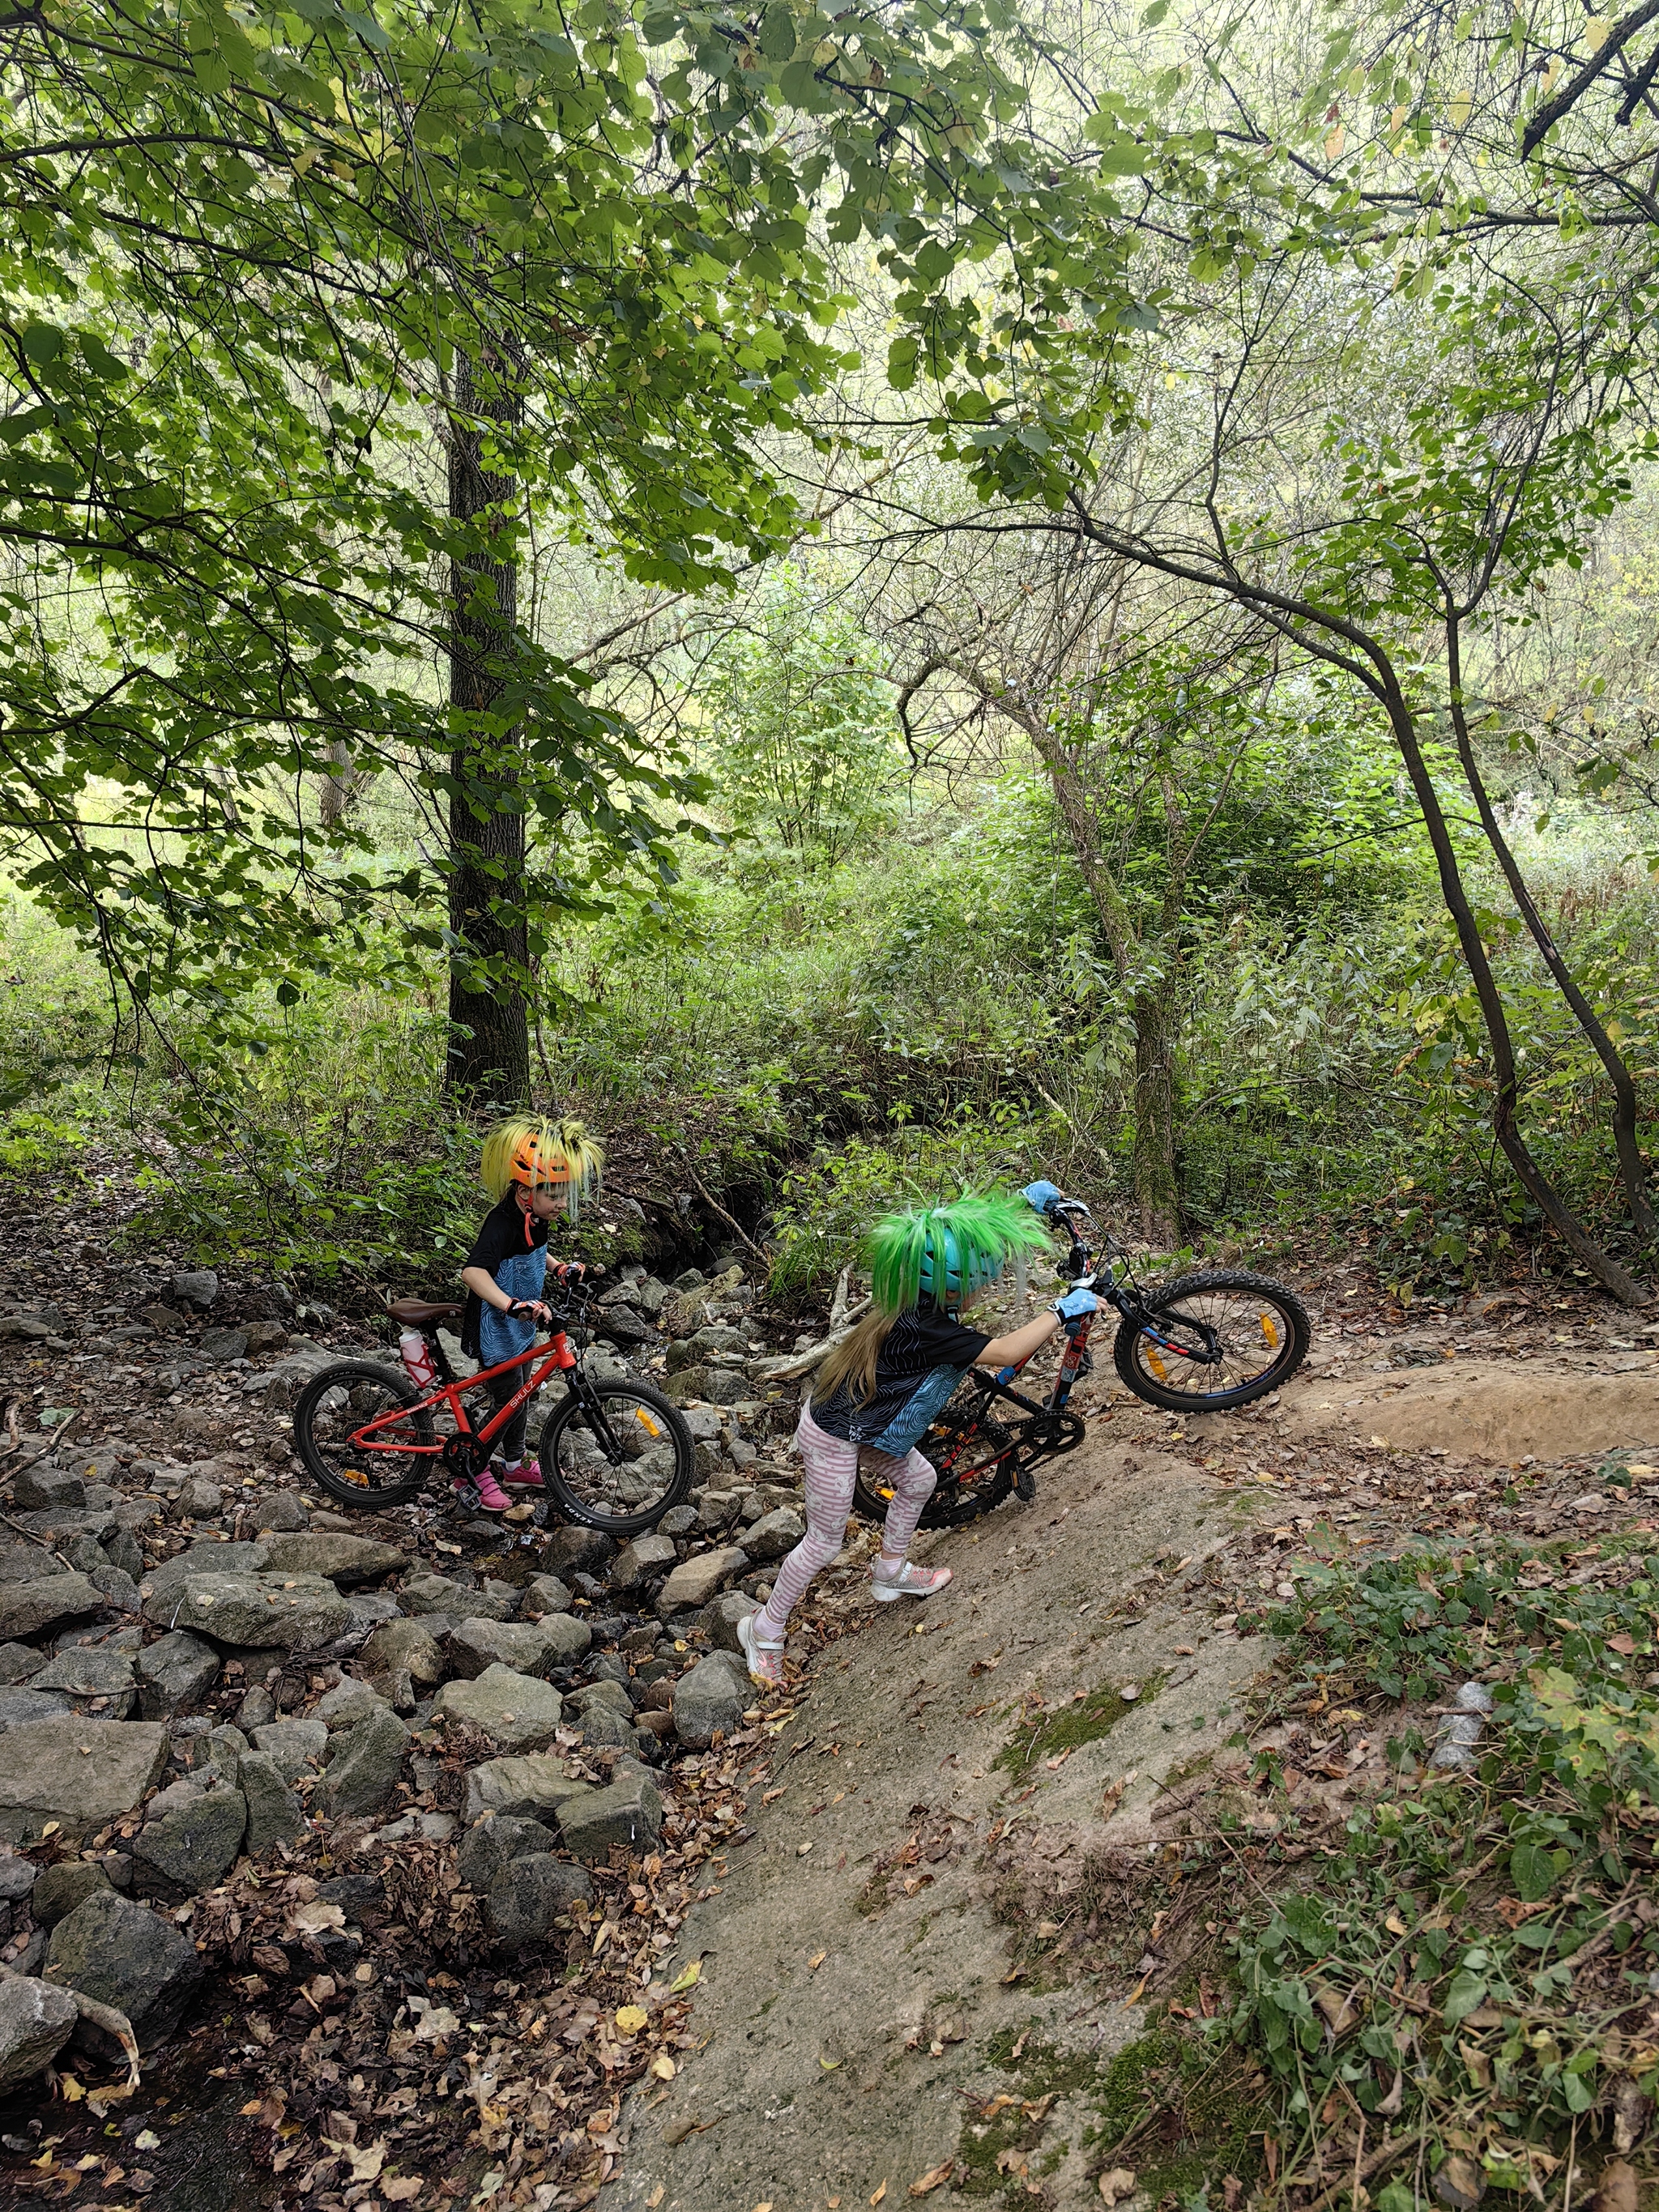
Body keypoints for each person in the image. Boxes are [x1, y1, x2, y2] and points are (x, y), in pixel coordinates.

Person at [737, 1186, 1098, 1688]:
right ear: (954, 1283)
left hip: (866, 1423)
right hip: (833, 1435)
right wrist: (1059, 1312)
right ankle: (764, 1630)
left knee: (921, 1478)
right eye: (981, 1278)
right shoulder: (927, 1327)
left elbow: (966, 1228)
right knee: (823, 1542)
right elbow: (1008, 1351)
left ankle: (890, 1572)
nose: (987, 1286)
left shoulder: (919, 1299)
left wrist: (1021, 1204)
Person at [457, 1115, 605, 1512]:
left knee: (524, 1395)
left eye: (565, 1194)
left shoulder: (535, 1218)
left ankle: (515, 1465)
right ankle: (471, 1468)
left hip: (522, 1327)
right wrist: (510, 1304)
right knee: (508, 1401)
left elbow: (533, 1255)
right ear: (525, 1191)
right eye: (553, 1194)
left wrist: (557, 1267)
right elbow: (473, 1272)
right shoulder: (501, 1223)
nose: (562, 1204)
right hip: (497, 1329)